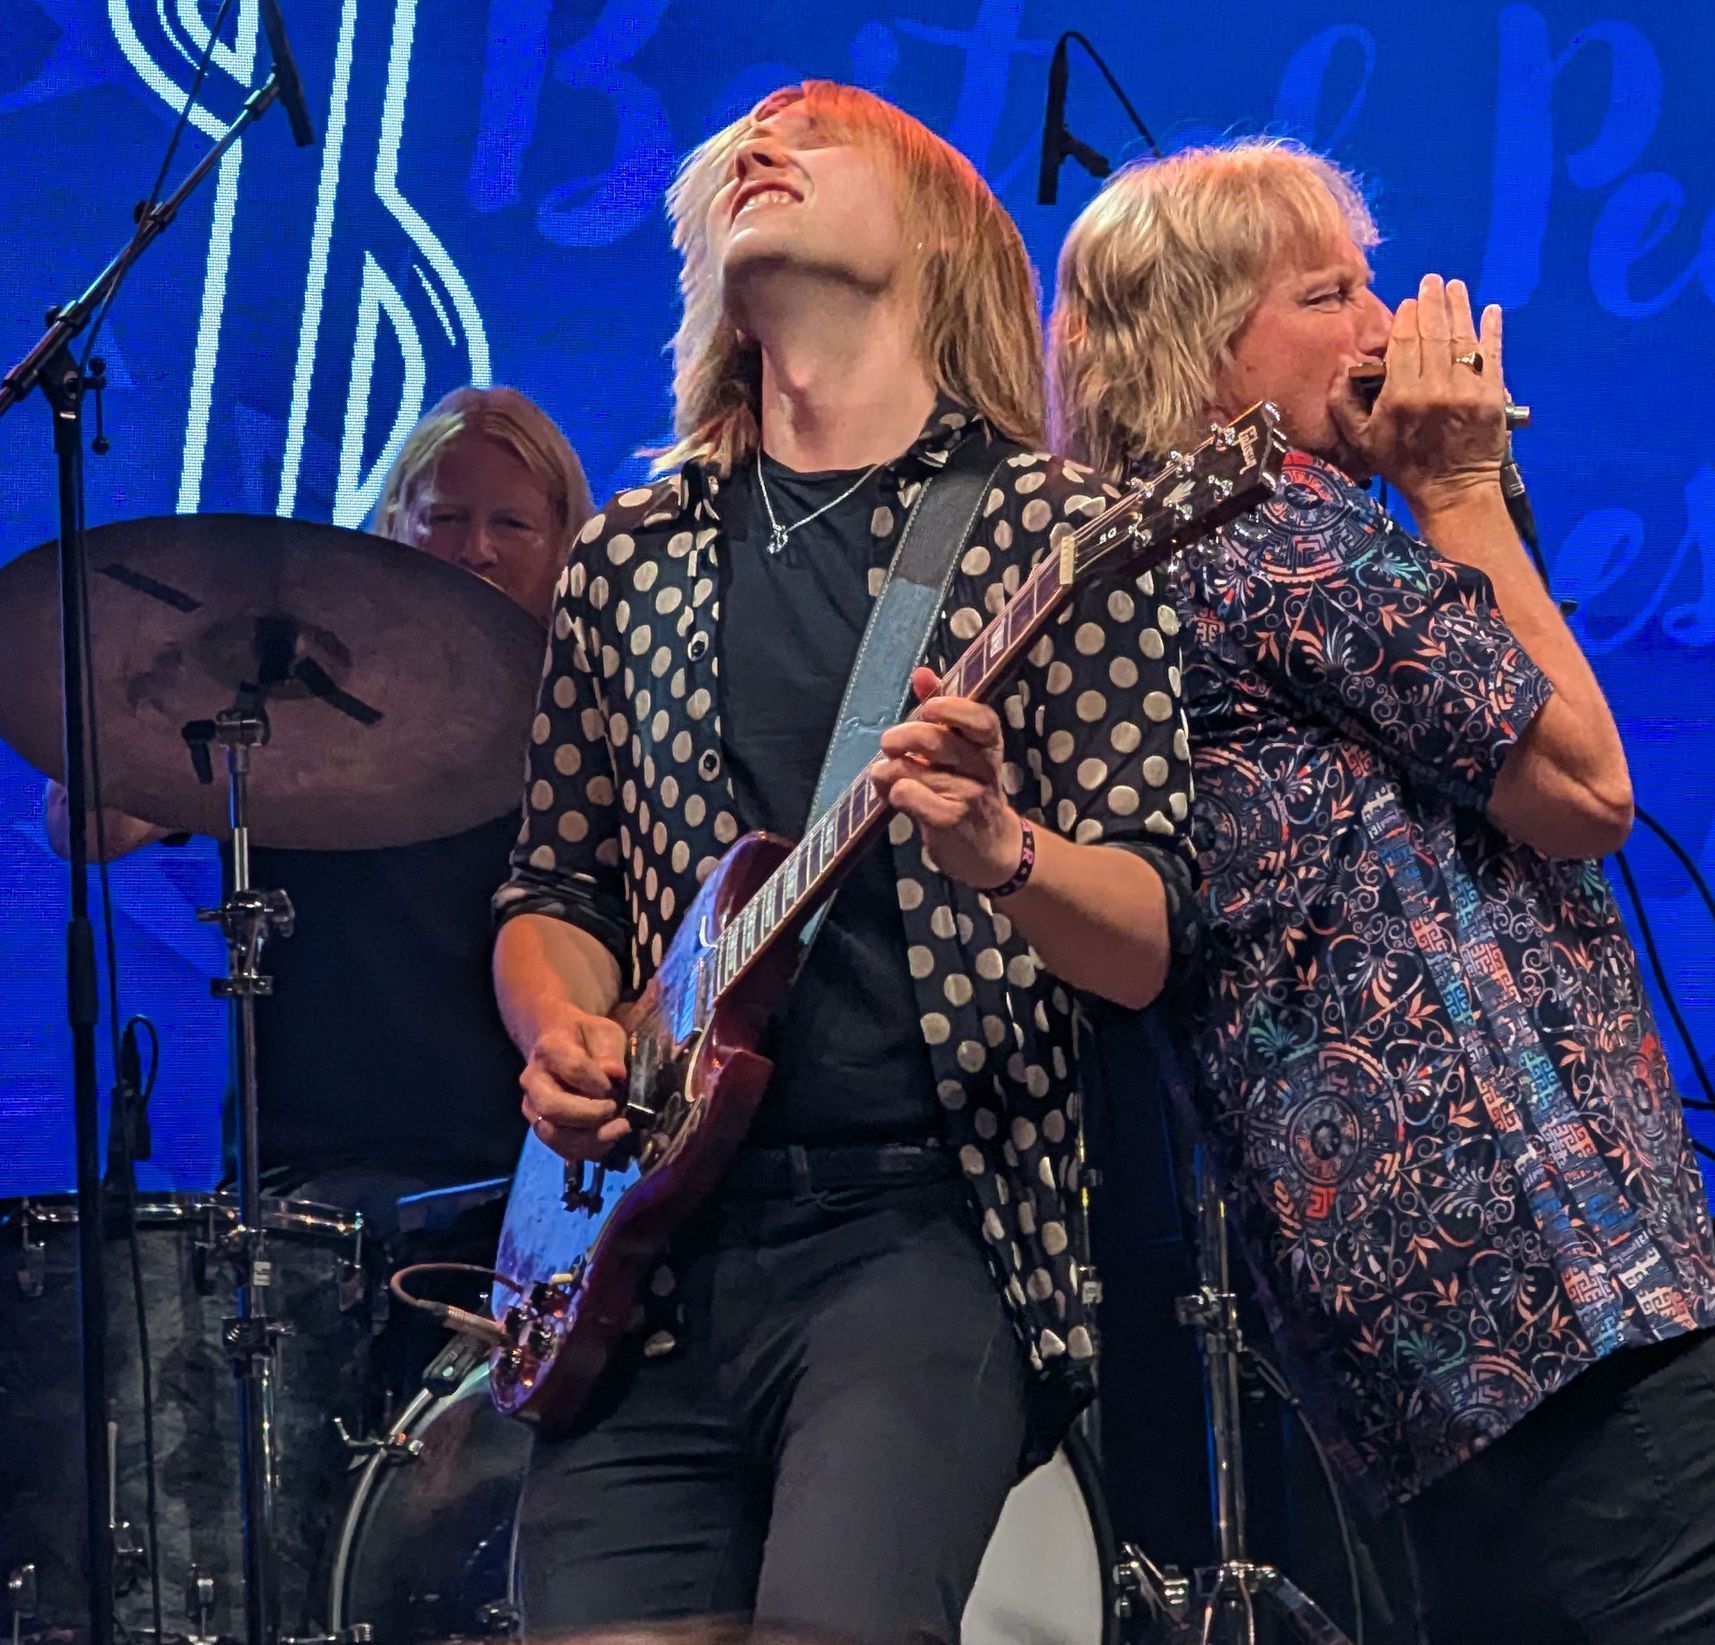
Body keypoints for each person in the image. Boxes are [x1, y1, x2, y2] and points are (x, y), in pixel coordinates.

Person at [1048, 140, 1715, 1645]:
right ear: (1200, 350)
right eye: (1331, 294)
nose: (1392, 326)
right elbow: (1582, 789)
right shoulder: (1266, 531)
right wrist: (1465, 485)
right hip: (1539, 1289)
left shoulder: (1196, 552)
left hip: (1430, 1330)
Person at [492, 81, 1195, 1644]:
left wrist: (1002, 850)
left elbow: (1146, 938)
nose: (762, 146)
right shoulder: (630, 553)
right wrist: (563, 1031)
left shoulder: (1054, 534)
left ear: (942, 229)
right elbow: (557, 890)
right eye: (741, 139)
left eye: (819, 132)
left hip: (919, 1228)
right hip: (646, 1251)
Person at [46, 383, 592, 1218]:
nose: (475, 548)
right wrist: (160, 686)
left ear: (562, 546)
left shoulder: (591, 723)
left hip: (540, 1177)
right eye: (445, 516)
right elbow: (80, 827)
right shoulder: (293, 697)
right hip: (313, 1186)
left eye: (510, 524)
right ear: (395, 525)